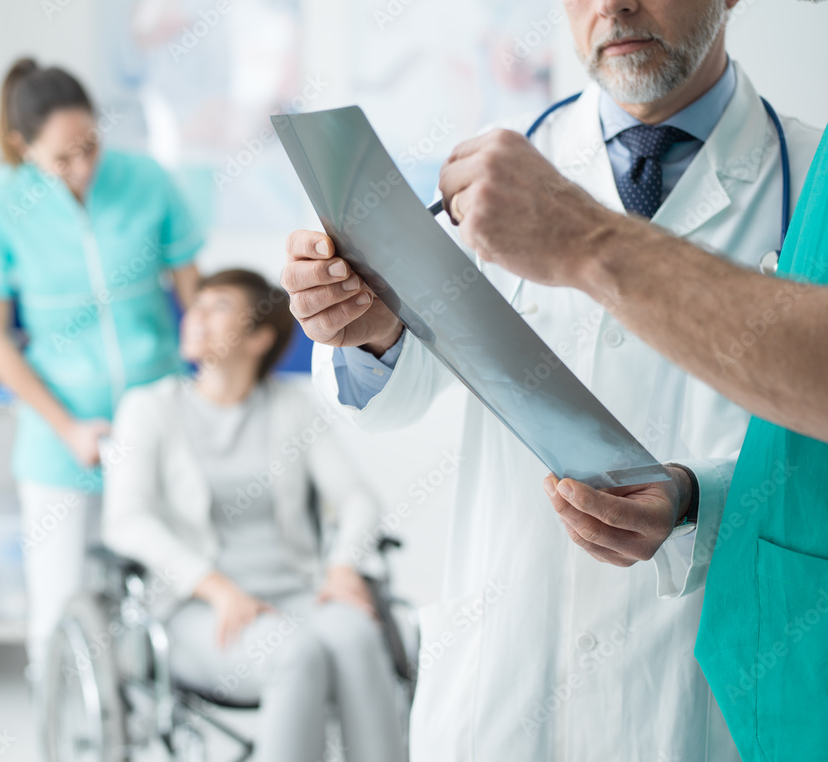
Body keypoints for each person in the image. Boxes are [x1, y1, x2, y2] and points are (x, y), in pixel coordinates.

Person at [280, 0, 823, 759]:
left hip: (690, 685)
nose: (613, 5)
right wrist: (369, 329)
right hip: (505, 682)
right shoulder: (499, 167)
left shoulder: (810, 181)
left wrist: (697, 500)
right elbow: (394, 397)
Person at [0, 58, 204, 690]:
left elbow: (196, 300)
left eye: (90, 146)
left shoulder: (145, 179)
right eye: (63, 159)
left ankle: (163, 709)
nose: (83, 167)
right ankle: (61, 716)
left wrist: (213, 382)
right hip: (57, 426)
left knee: (174, 585)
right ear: (22, 146)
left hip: (156, 411)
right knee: (58, 598)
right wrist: (66, 427)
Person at [101, 269, 406, 762]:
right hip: (200, 609)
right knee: (293, 652)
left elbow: (358, 498)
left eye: (218, 306)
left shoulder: (291, 406)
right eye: (197, 305)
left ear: (260, 337)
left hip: (298, 592)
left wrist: (342, 567)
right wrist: (217, 588)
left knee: (357, 636)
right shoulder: (149, 409)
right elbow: (127, 521)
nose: (196, 315)